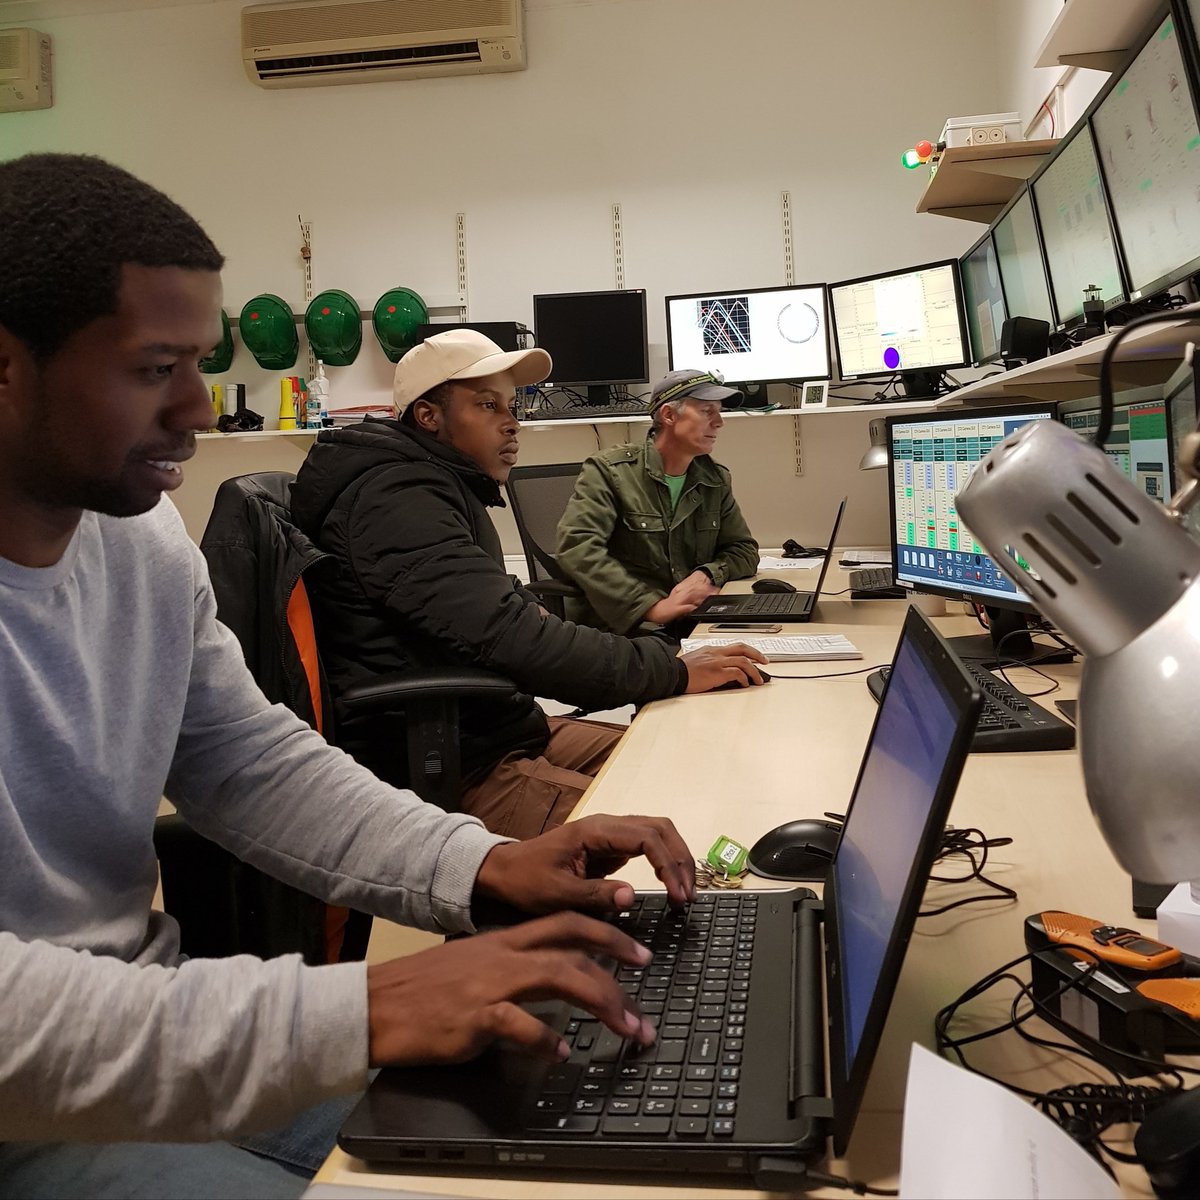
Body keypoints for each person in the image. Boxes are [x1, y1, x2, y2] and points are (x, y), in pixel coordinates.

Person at [0, 152, 701, 1200]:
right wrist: (357, 1011)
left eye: (199, 361)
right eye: (156, 368)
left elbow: (250, 760)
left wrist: (475, 867)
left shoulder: (137, 539)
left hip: (139, 1025)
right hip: (26, 1110)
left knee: (584, 1114)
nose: (200, 408)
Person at [290, 332, 768, 842]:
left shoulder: (432, 485)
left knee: (695, 760)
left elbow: (497, 613)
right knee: (689, 828)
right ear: (430, 418)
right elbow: (513, 639)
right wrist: (667, 669)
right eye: (488, 405)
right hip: (453, 755)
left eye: (512, 406)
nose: (512, 422)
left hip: (492, 725)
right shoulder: (396, 499)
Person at [555, 368, 759, 637]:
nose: (719, 421)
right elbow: (577, 547)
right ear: (669, 415)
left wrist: (707, 575)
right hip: (622, 631)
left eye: (719, 411)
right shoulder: (611, 471)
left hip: (690, 623)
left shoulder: (714, 479)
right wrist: (649, 607)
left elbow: (743, 549)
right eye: (707, 411)